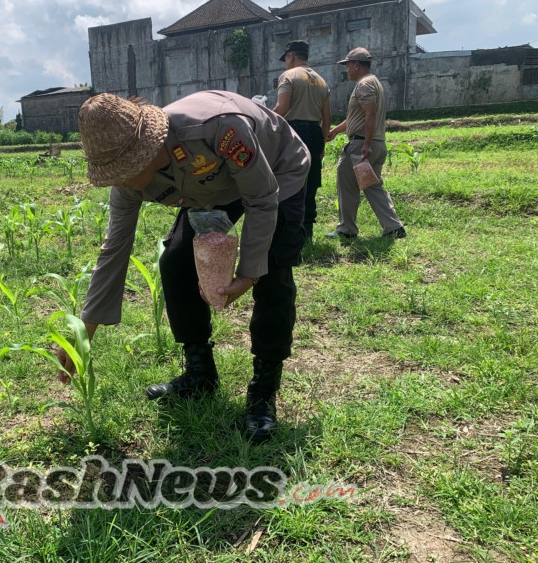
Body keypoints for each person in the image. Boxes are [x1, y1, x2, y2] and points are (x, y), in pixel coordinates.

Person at [55, 90, 310, 443]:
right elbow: (114, 250)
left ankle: (264, 390)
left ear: (149, 146)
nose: (122, 179)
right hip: (211, 191)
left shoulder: (219, 129)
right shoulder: (126, 184)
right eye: (114, 172)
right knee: (175, 261)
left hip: (276, 172)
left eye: (126, 168)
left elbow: (261, 198)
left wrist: (248, 274)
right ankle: (199, 373)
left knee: (273, 272)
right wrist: (84, 331)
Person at [325, 47, 406, 239]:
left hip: (361, 146)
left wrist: (366, 145)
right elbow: (358, 116)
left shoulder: (364, 84)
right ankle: (394, 227)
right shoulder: (373, 82)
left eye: (348, 66)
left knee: (346, 184)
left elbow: (370, 115)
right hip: (376, 144)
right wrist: (336, 131)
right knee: (372, 186)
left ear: (356, 65)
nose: (347, 70)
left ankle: (347, 230)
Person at [272, 40, 331, 239]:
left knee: (290, 180)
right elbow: (327, 118)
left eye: (286, 59)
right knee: (311, 182)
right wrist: (322, 144)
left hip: (294, 132)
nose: (285, 63)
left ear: (291, 56)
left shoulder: (288, 76)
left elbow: (282, 108)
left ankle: (290, 229)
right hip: (315, 133)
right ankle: (308, 230)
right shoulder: (321, 81)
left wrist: (263, 120)